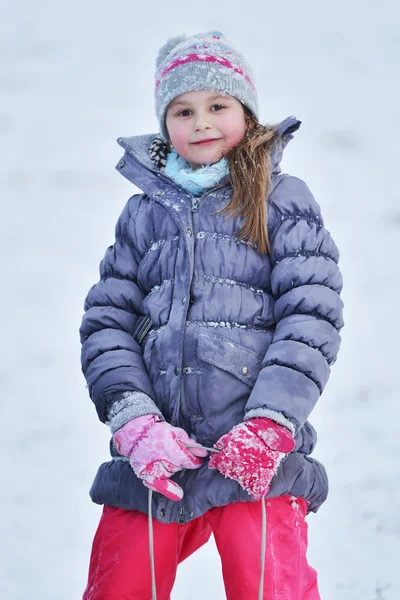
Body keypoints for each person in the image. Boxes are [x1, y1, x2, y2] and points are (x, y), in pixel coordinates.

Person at [79, 31, 344, 600]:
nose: (201, 122)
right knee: (120, 583)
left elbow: (311, 315)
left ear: (245, 112)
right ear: (164, 122)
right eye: (183, 110)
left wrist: (271, 423)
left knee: (267, 582)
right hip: (160, 452)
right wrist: (132, 419)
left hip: (252, 448)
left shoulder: (279, 199)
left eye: (217, 106)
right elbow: (108, 321)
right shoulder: (143, 214)